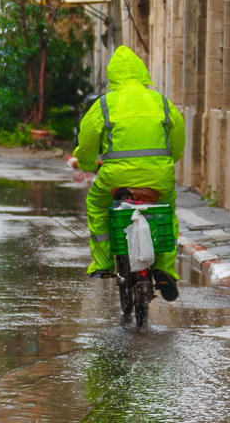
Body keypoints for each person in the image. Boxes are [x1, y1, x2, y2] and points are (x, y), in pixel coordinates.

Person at [70, 46, 186, 301]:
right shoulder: (161, 102)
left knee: (97, 206)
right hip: (159, 177)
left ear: (113, 77)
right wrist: (170, 159)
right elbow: (177, 140)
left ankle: (102, 262)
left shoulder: (105, 104)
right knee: (166, 213)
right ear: (142, 74)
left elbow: (87, 140)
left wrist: (88, 163)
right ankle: (165, 270)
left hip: (115, 178)